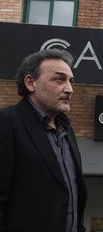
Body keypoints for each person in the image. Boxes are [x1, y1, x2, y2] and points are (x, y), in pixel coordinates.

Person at [0, 49, 87, 232]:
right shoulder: (7, 124)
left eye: (71, 81)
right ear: (31, 83)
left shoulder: (67, 130)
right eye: (59, 79)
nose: (69, 89)